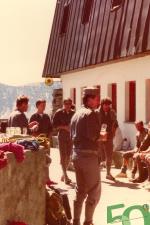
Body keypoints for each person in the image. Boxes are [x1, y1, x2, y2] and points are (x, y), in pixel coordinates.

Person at [71, 87, 101, 225]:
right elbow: (93, 136)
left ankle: (75, 221)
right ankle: (88, 222)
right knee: (94, 191)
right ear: (89, 99)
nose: (98, 101)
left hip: (77, 155)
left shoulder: (76, 114)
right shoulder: (91, 114)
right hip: (89, 156)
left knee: (80, 190)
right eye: (96, 98)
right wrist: (102, 136)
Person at [52, 98, 75, 184]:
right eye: (66, 103)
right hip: (62, 136)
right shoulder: (59, 113)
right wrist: (64, 127)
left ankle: (63, 174)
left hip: (70, 137)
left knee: (69, 156)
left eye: (69, 103)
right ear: (63, 104)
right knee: (63, 156)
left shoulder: (73, 113)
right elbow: (54, 125)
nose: (67, 105)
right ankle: (66, 176)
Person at [97, 97, 117, 181]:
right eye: (105, 105)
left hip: (109, 137)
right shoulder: (97, 113)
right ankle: (96, 174)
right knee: (98, 156)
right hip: (98, 138)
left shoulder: (112, 113)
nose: (107, 106)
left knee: (109, 156)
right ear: (102, 104)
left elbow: (115, 124)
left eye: (108, 105)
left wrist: (113, 133)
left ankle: (108, 173)